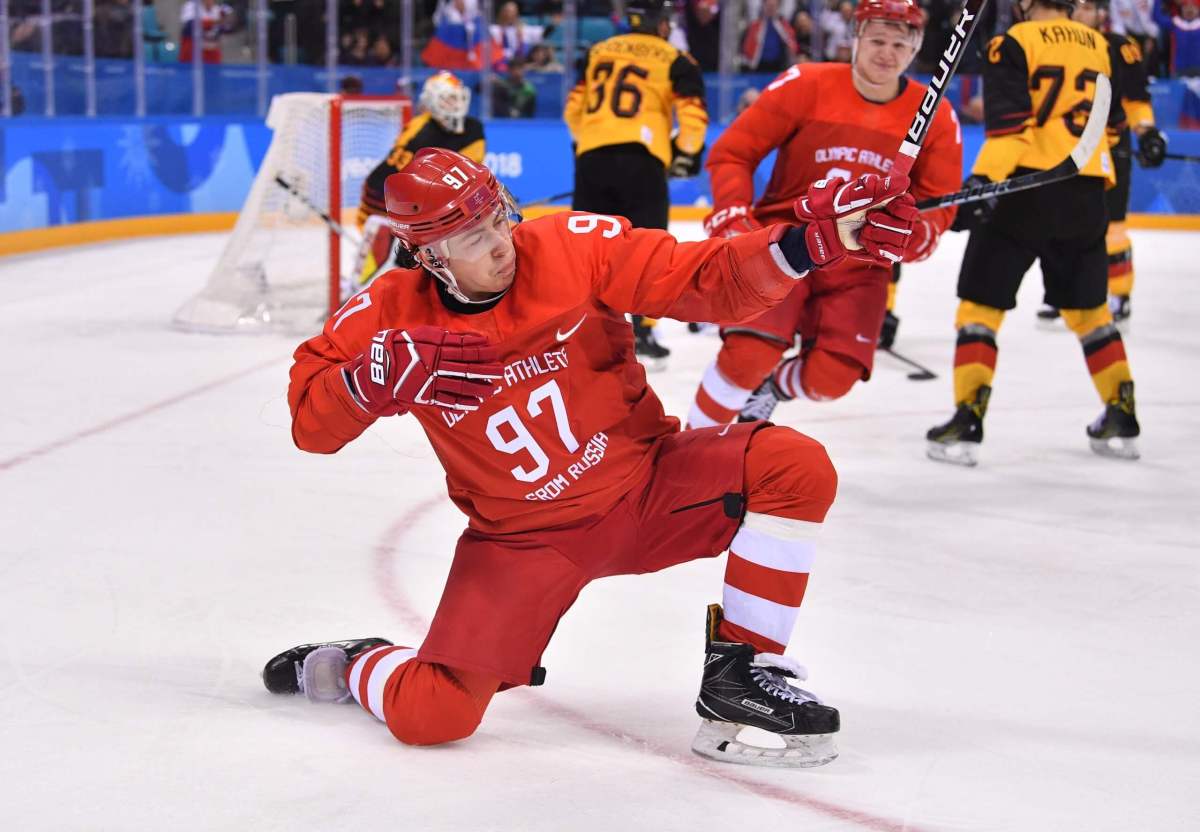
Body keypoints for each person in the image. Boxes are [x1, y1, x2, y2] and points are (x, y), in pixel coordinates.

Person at [263, 147, 919, 767]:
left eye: (499, 219)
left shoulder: (570, 246)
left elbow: (706, 280)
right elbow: (309, 424)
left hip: (647, 488)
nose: (499, 245)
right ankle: (357, 664)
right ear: (429, 257)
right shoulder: (386, 316)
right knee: (432, 716)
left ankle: (742, 674)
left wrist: (816, 242)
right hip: (522, 541)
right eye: (472, 239)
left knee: (794, 466)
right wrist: (365, 384)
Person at [686, 0, 961, 430]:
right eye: (876, 40)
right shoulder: (807, 82)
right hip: (787, 242)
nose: (886, 52)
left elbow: (938, 201)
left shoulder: (936, 115)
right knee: (748, 355)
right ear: (855, 39)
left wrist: (917, 233)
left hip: (860, 260)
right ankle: (688, 455)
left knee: (831, 379)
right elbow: (732, 153)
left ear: (915, 49)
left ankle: (773, 388)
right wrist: (733, 215)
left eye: (898, 43)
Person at [926, 0, 1141, 466]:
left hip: (1024, 190)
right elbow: (1116, 129)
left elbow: (1011, 132)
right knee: (1090, 313)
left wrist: (979, 187)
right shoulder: (1101, 45)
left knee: (980, 308)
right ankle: (1121, 410)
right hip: (1086, 195)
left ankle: (968, 418)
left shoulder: (1013, 42)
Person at [563, 0, 708, 370]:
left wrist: (590, 143)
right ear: (661, 23)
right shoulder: (675, 57)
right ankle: (642, 331)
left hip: (592, 157)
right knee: (647, 249)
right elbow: (692, 117)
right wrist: (684, 152)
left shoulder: (598, 50)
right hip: (643, 160)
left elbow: (573, 109)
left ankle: (582, 331)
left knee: (587, 251)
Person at [1036, 0, 1166, 330]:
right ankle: (1061, 291)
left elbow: (1137, 100)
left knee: (1113, 226)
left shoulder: (1119, 47)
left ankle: (1119, 294)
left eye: (1087, 8)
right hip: (1063, 146)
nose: (1080, 14)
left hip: (1109, 148)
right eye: (1075, 7)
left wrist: (1146, 130)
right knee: (1057, 223)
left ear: (1101, 14)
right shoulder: (1053, 44)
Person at [352, 71, 485, 291]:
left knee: (419, 262)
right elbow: (391, 175)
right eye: (449, 98)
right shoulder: (420, 129)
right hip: (387, 200)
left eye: (458, 98)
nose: (456, 104)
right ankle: (357, 294)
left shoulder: (473, 129)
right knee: (379, 264)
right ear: (433, 102)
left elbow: (470, 173)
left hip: (426, 204)